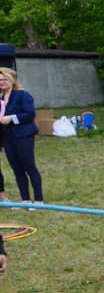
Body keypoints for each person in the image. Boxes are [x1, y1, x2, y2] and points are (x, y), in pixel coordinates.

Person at [0, 67, 44, 206]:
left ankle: (38, 200)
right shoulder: (1, 99)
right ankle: (25, 200)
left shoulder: (22, 95)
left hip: (23, 135)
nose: (2, 82)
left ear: (12, 80)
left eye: (5, 79)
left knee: (29, 167)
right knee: (17, 169)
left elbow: (30, 114)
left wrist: (12, 118)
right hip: (7, 138)